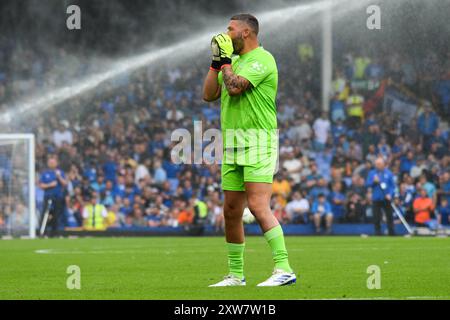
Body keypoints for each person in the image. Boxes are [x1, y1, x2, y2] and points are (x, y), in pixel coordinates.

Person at [203, 14, 295, 287]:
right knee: (231, 210)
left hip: (258, 140)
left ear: (245, 33)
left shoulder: (262, 59)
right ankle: (236, 275)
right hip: (231, 142)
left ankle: (284, 268)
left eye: (230, 29)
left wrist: (226, 62)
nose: (225, 33)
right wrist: (215, 62)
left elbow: (233, 88)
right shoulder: (232, 62)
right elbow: (209, 95)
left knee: (256, 205)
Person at [38, 155, 68, 237]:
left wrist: (59, 177)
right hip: (48, 197)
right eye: (50, 162)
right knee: (45, 214)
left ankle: (54, 233)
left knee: (56, 215)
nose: (51, 164)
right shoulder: (45, 173)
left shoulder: (60, 172)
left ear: (56, 163)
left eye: (53, 162)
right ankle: (42, 233)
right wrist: (50, 185)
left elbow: (65, 184)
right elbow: (41, 185)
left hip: (58, 197)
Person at [365, 157, 396, 236]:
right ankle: (377, 232)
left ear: (383, 164)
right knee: (376, 217)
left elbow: (392, 186)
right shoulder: (372, 173)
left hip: (386, 197)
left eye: (379, 164)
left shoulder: (389, 173)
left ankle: (391, 232)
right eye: (376, 164)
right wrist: (373, 182)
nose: (377, 165)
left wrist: (390, 194)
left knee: (389, 216)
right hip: (376, 198)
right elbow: (367, 184)